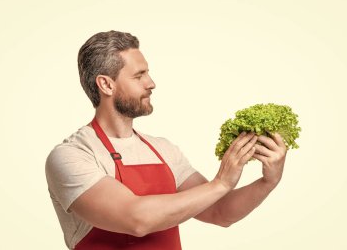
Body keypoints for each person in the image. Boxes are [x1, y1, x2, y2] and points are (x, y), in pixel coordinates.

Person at [45, 30, 287, 250]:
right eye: (139, 76)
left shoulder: (162, 149)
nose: (151, 83)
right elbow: (136, 219)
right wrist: (221, 183)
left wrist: (267, 182)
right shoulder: (73, 155)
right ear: (106, 84)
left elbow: (219, 212)